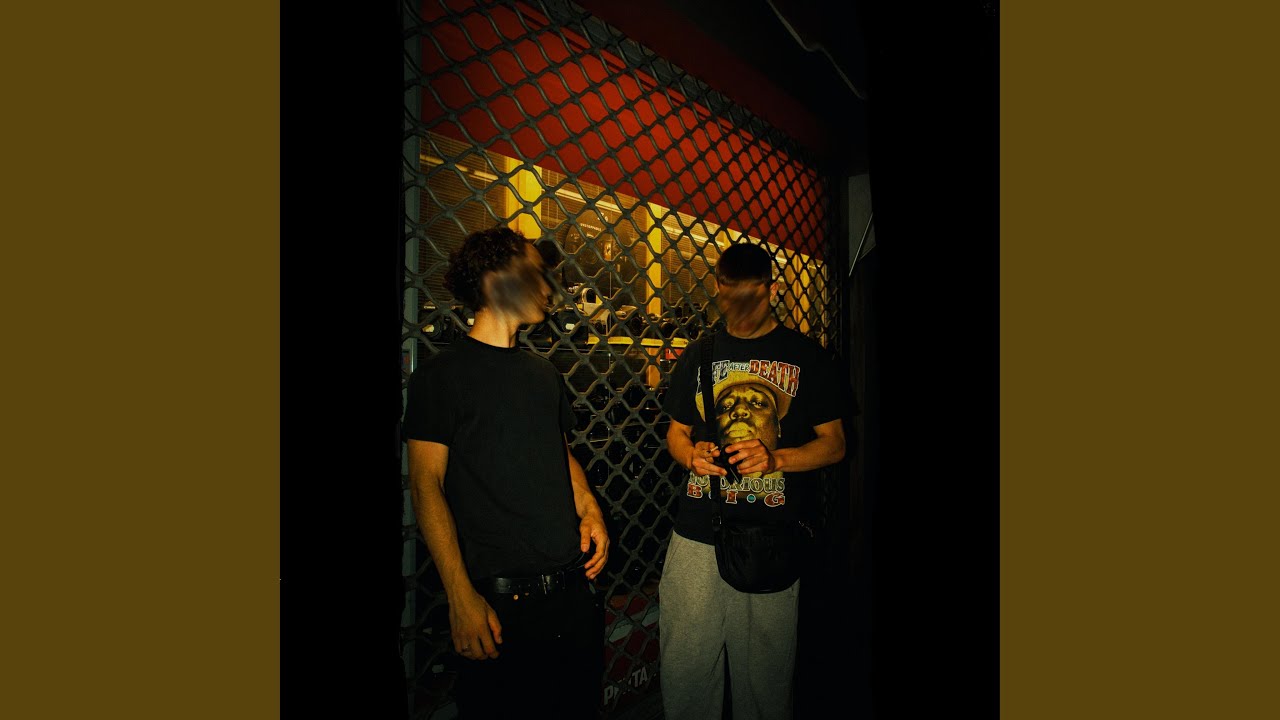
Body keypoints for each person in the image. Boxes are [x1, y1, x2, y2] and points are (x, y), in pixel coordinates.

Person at [402, 226, 610, 719]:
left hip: (571, 597)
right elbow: (426, 486)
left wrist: (589, 508)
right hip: (499, 607)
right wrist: (460, 596)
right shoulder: (441, 377)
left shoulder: (543, 375)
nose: (548, 287)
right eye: (535, 273)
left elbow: (561, 456)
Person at [660, 241, 849, 720]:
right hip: (697, 533)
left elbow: (835, 445)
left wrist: (776, 458)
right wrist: (690, 456)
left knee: (765, 678)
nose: (741, 310)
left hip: (773, 538)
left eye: (752, 297)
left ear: (772, 290)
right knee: (686, 669)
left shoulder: (806, 356)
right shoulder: (700, 353)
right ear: (718, 289)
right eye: (731, 297)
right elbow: (676, 432)